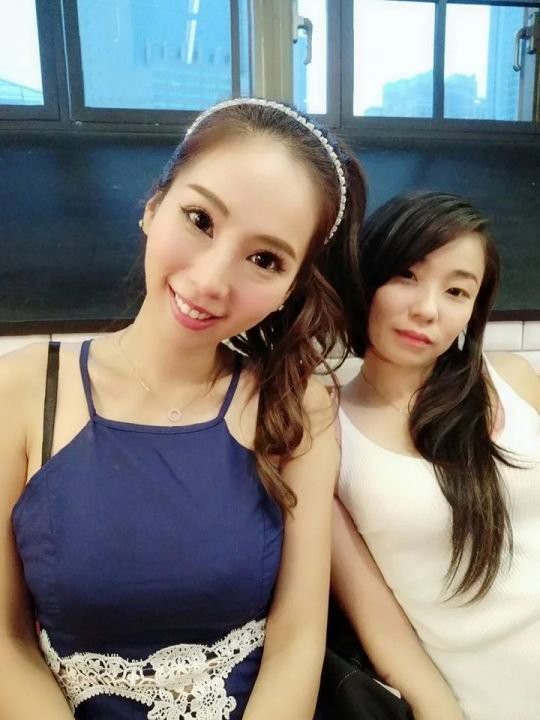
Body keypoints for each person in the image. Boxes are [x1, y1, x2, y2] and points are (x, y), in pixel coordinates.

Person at [0, 97, 367, 720]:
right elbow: (6, 640)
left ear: (290, 288)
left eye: (265, 259)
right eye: (200, 219)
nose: (211, 280)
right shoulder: (24, 388)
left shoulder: (296, 404)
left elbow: (298, 639)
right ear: (153, 205)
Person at [331, 192, 540, 720]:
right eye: (406, 275)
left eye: (456, 291)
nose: (427, 309)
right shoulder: (324, 432)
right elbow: (377, 617)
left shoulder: (514, 379)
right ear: (367, 276)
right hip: (490, 696)